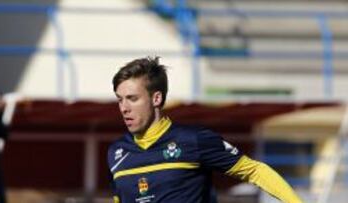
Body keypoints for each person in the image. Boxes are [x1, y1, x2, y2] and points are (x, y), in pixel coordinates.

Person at [107, 57, 303, 203]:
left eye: (132, 98)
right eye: (120, 99)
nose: (124, 107)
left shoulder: (193, 140)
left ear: (156, 98)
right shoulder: (117, 153)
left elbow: (255, 171)